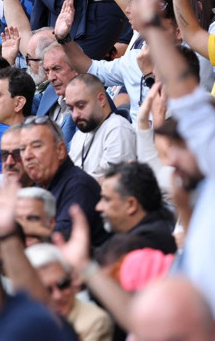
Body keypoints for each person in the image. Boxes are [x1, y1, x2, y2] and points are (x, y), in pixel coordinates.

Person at [19, 116, 108, 246]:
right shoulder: (40, 185)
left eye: (36, 146)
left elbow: (63, 238)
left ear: (60, 150)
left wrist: (18, 228)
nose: (27, 155)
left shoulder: (79, 186)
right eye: (22, 149)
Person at [25, 244, 114, 341]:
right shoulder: (22, 322)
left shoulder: (95, 322)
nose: (57, 296)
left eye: (63, 284)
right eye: (47, 290)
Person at [65, 74, 136, 179]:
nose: (75, 115)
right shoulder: (79, 135)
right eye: (71, 108)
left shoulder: (118, 129)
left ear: (101, 99)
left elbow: (111, 182)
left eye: (81, 106)